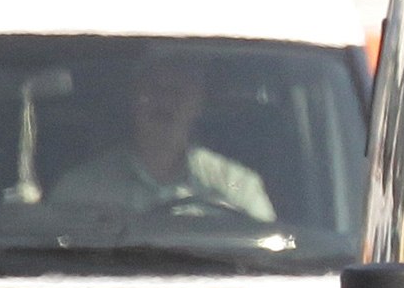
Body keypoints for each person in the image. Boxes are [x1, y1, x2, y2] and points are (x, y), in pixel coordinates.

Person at [49, 54, 275, 222]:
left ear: (198, 104)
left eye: (178, 92)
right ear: (134, 99)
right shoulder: (81, 189)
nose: (164, 103)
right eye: (153, 89)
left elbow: (267, 267)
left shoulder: (238, 186)